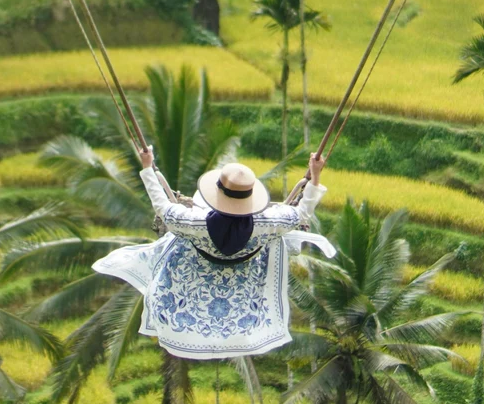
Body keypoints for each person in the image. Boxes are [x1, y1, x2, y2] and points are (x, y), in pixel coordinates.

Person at [93, 149, 333, 360]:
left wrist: (148, 167)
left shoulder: (191, 222)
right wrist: (316, 175)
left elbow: (163, 208)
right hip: (243, 283)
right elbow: (301, 214)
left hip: (195, 276)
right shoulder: (267, 223)